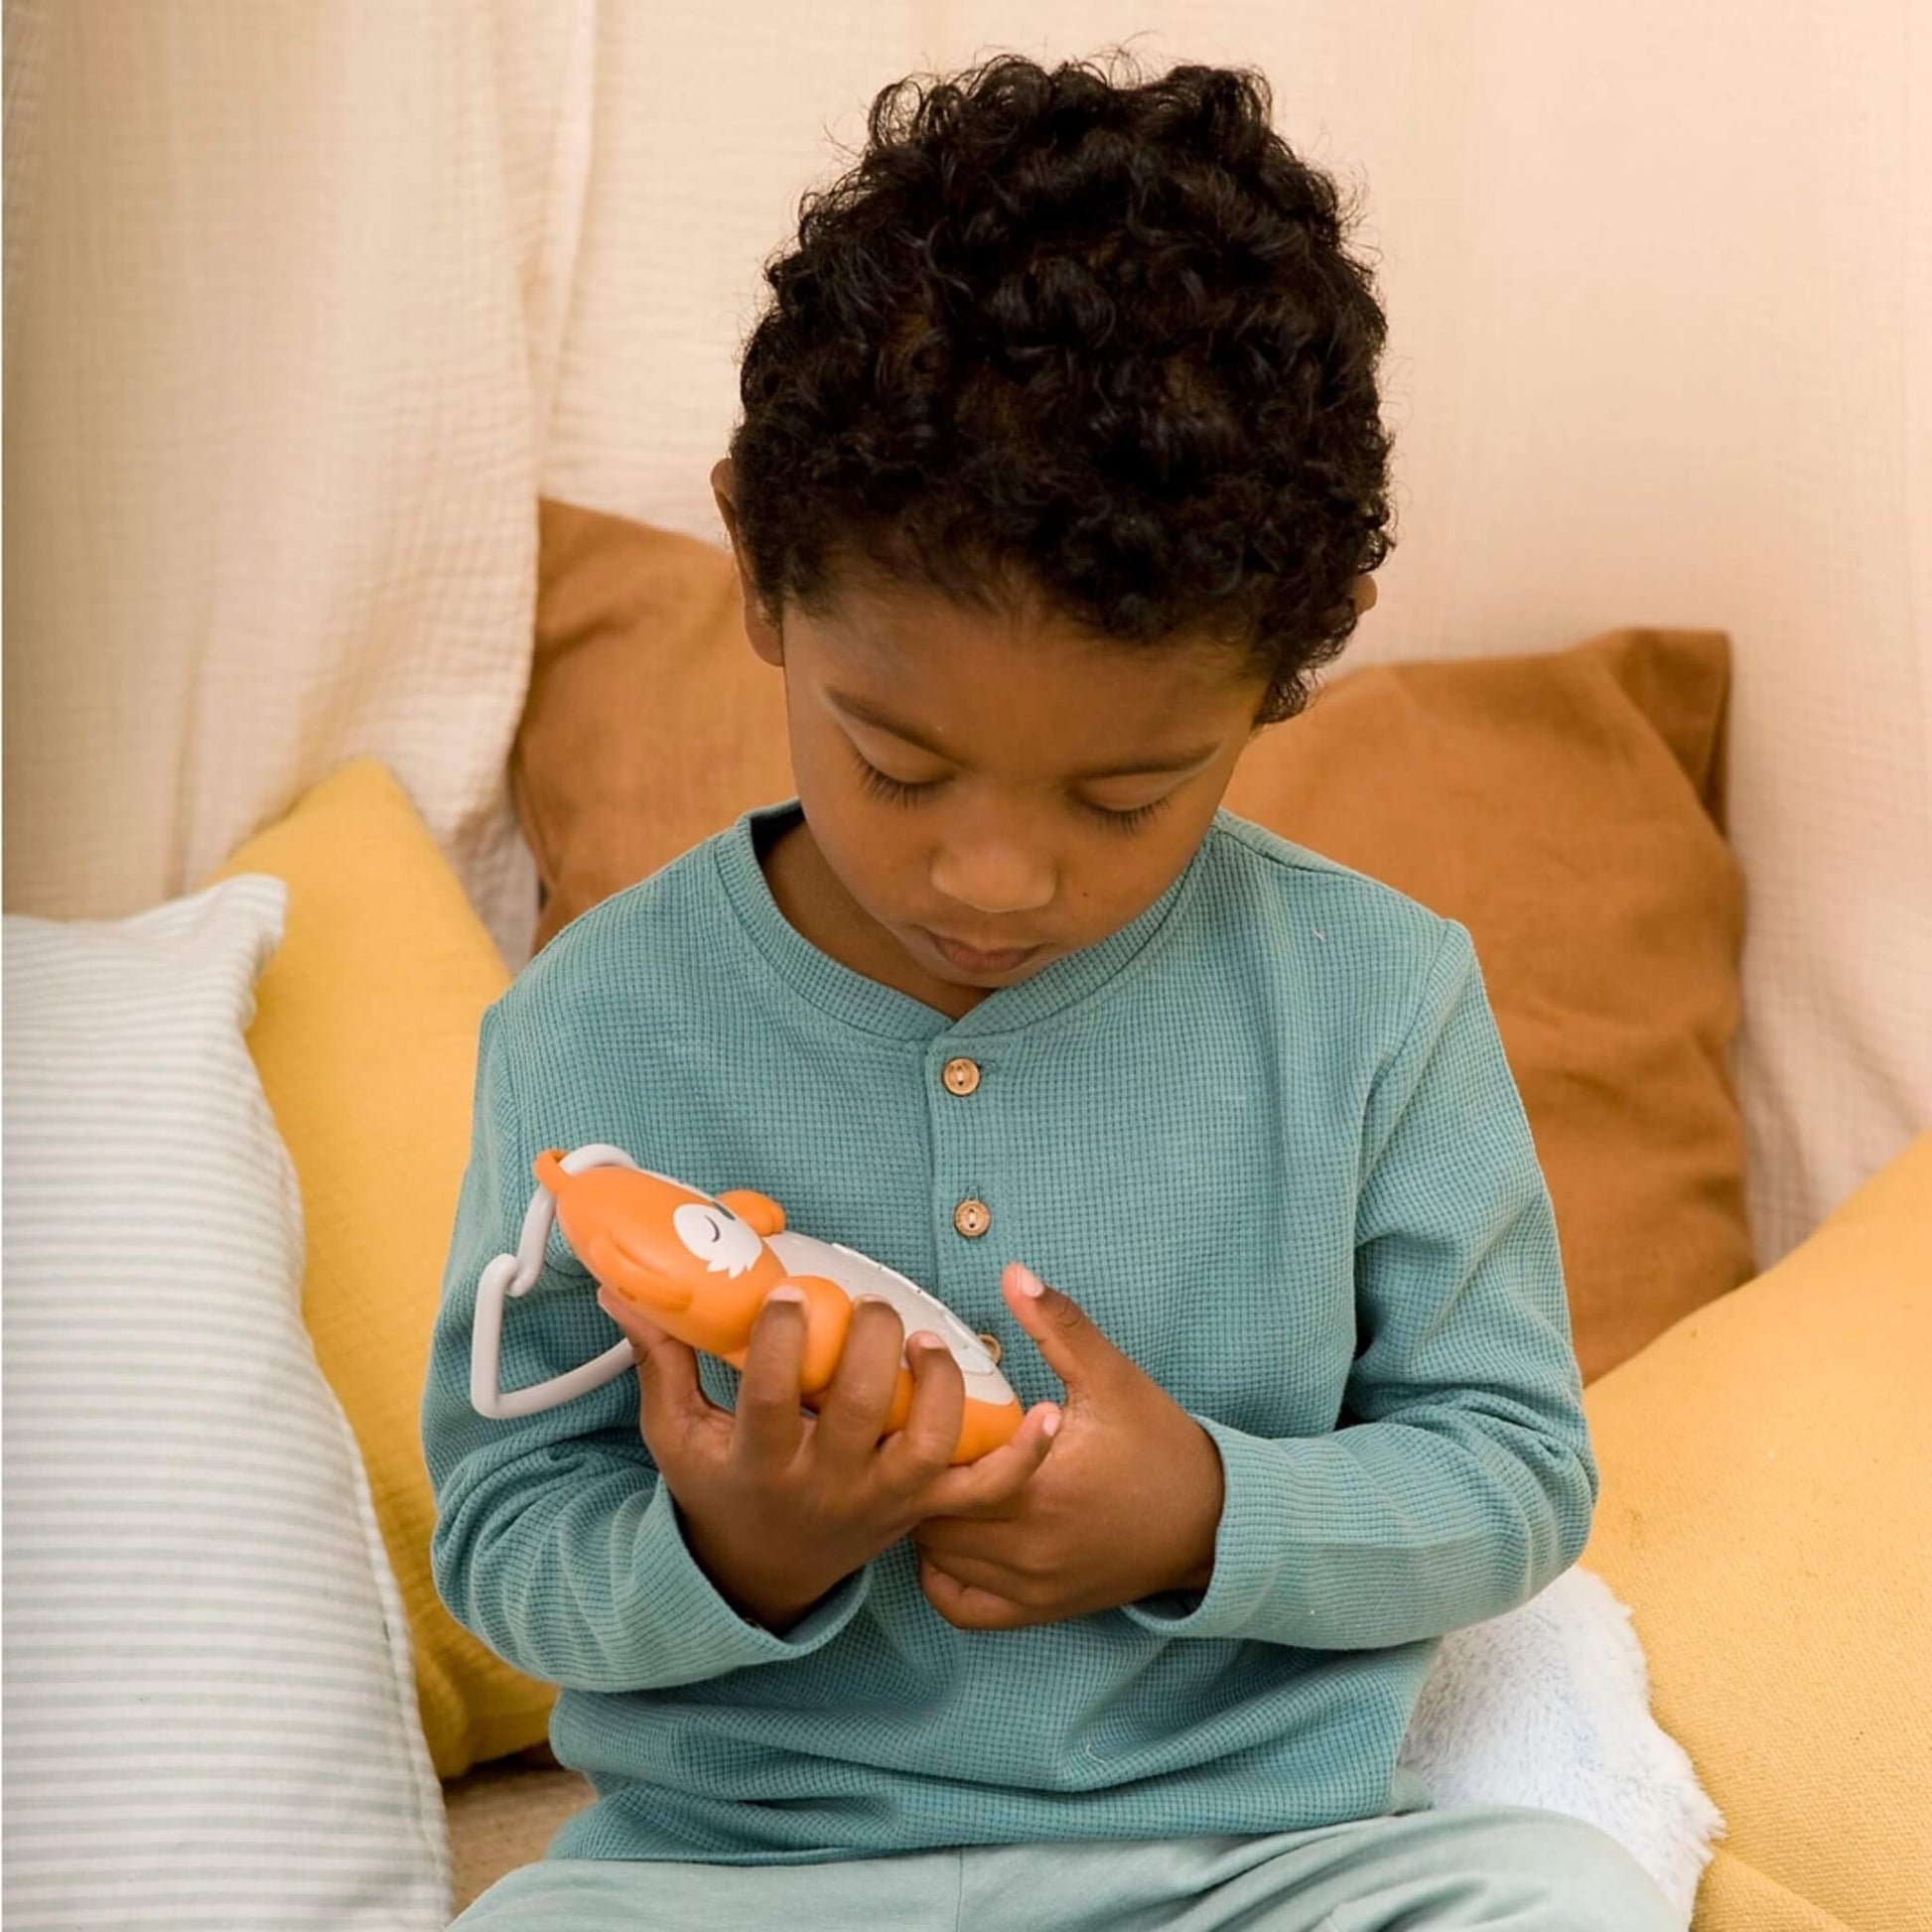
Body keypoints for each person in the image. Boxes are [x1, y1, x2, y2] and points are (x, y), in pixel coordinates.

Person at [425, 52, 1680, 1930]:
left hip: (1255, 1867)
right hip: (755, 1879)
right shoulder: (592, 1027)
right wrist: (729, 1546)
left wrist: (1203, 1510)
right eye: (899, 764)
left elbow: (1509, 1472)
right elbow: (503, 1538)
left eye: (1125, 795)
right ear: (761, 574)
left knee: (1553, 1887)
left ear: (1277, 679)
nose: (992, 879)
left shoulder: (1375, 1000)